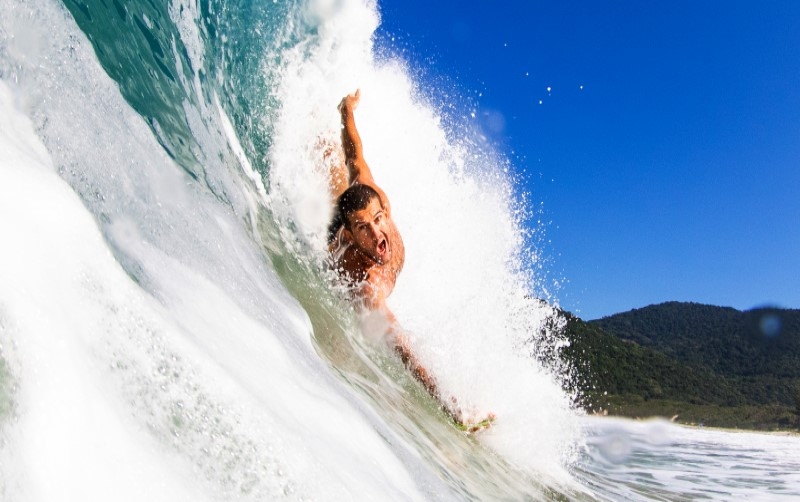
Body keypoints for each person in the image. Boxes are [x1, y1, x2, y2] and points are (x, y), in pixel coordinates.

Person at [326, 90, 493, 432]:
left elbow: (355, 153)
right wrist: (449, 401)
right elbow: (404, 351)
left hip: (356, 200)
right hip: (338, 251)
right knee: (332, 189)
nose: (376, 235)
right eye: (363, 229)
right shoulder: (366, 283)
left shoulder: (376, 197)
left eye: (377, 220)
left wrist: (347, 113)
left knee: (347, 164)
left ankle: (329, 125)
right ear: (353, 235)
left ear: (383, 210)